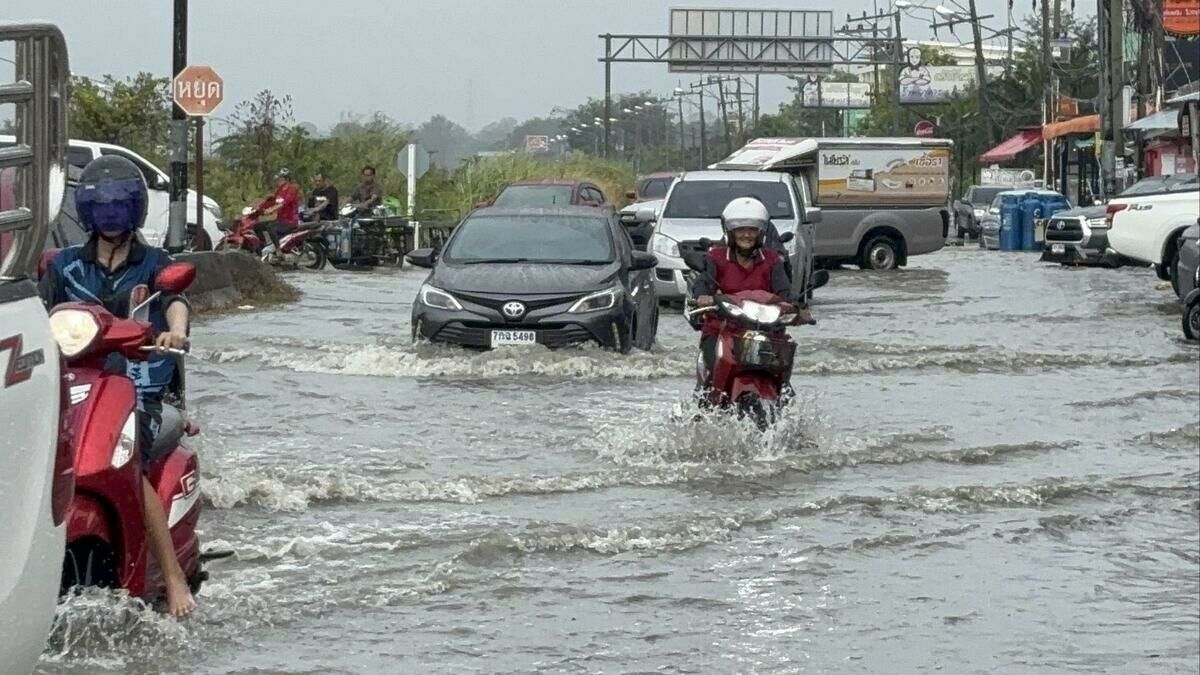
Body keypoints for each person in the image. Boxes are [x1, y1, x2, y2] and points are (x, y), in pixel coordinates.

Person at [38, 155, 196, 619]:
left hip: (139, 386)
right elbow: (35, 311)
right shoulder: (62, 266)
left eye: (119, 205)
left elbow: (175, 301)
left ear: (136, 209)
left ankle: (172, 579)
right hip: (70, 386)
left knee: (130, 462)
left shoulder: (155, 264)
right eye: (100, 206)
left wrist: (176, 332)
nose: (110, 215)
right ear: (86, 211)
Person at [691, 197, 812, 392]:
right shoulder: (716, 257)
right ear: (730, 232)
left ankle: (784, 407)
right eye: (740, 229)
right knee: (712, 374)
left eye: (752, 230)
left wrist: (798, 309)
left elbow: (784, 293)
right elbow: (703, 283)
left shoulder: (773, 260)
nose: (746, 235)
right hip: (723, 329)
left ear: (761, 233)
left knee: (784, 381)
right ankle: (707, 404)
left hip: (766, 331)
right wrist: (703, 297)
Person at [253, 168, 301, 255]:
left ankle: (278, 250)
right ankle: (263, 248)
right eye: (278, 179)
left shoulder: (292, 189)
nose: (278, 181)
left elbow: (284, 203)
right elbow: (271, 201)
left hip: (290, 221)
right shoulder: (279, 190)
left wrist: (271, 210)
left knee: (271, 227)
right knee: (256, 226)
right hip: (280, 220)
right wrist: (258, 208)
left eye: (280, 179)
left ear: (287, 179)